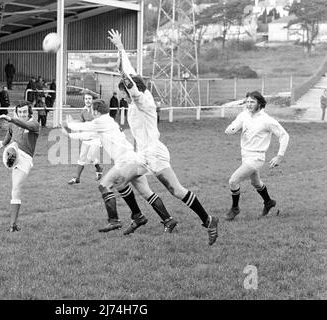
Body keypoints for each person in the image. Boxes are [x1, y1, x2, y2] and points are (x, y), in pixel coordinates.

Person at [108, 29, 218, 245]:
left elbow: (129, 81)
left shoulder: (142, 101)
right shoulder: (138, 96)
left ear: (130, 91)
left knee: (173, 190)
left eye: (122, 91)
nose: (120, 93)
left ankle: (206, 219)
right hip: (145, 153)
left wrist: (121, 72)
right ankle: (201, 220)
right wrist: (120, 49)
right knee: (132, 182)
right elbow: (131, 73)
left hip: (152, 153)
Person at [63, 100, 178, 235]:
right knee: (146, 192)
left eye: (92, 111)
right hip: (132, 158)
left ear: (96, 111)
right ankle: (166, 220)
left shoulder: (102, 121)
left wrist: (69, 124)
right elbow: (88, 135)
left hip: (125, 161)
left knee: (104, 185)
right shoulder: (106, 123)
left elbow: (87, 126)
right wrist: (69, 134)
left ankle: (115, 221)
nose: (92, 114)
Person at [225, 91, 289, 221]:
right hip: (245, 156)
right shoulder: (244, 115)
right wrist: (230, 129)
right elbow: (233, 127)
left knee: (233, 180)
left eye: (252, 102)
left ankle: (235, 208)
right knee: (256, 183)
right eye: (247, 101)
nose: (248, 104)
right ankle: (269, 202)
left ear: (259, 103)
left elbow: (284, 135)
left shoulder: (267, 120)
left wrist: (279, 156)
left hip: (257, 158)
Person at [0, 103, 40, 232]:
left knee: (16, 188)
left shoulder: (34, 125)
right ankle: (13, 226)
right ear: (17, 112)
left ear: (29, 113)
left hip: (25, 159)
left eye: (25, 112)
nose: (22, 115)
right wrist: (3, 143)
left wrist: (12, 119)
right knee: (14, 190)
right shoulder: (13, 124)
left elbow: (25, 125)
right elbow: (10, 132)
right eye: (20, 112)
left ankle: (13, 225)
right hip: (14, 153)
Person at [67, 91, 103, 184]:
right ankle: (77, 178)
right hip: (86, 137)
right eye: (86, 99)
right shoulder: (83, 111)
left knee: (91, 158)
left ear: (92, 100)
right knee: (82, 157)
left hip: (96, 138)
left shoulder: (96, 110)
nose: (87, 100)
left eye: (89, 99)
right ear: (84, 100)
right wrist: (72, 123)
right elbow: (81, 124)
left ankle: (99, 168)